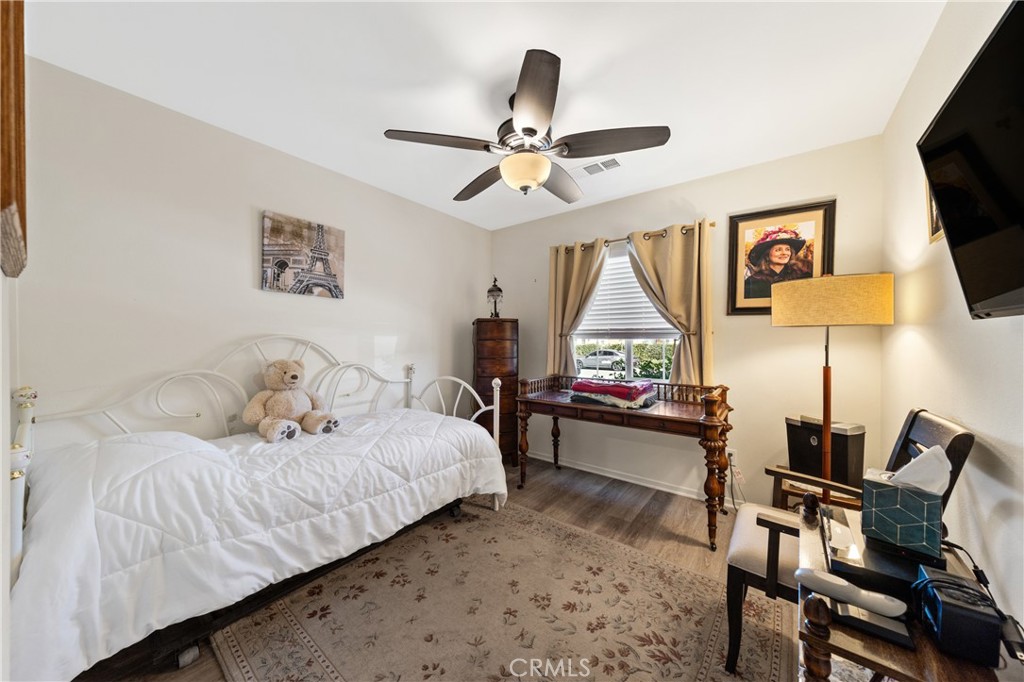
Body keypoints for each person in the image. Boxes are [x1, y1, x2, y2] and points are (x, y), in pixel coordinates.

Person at [743, 227, 811, 299]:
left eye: (787, 249)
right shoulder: (753, 282)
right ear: (767, 255)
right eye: (778, 250)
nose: (784, 253)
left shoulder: (802, 276)